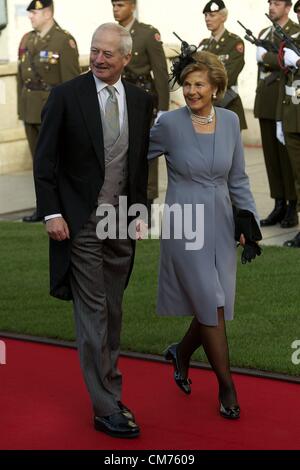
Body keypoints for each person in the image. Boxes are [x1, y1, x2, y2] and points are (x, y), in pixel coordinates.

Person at [34, 23, 153, 438]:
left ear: (126, 58)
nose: (99, 59)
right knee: (94, 310)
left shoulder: (140, 101)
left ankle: (110, 391)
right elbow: (45, 159)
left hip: (120, 218)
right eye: (94, 51)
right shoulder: (66, 96)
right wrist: (51, 213)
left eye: (108, 54)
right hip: (79, 221)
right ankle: (105, 406)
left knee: (114, 309)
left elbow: (138, 164)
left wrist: (140, 212)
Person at [148, 50, 261, 419]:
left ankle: (180, 353)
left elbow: (238, 178)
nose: (191, 91)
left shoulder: (229, 121)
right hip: (185, 222)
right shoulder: (169, 124)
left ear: (215, 87)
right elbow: (132, 155)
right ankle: (227, 387)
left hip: (222, 220)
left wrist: (249, 221)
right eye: (187, 84)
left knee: (216, 300)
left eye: (199, 84)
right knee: (211, 301)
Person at [17, 0, 80, 223]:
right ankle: (43, 207)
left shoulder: (64, 40)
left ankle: (61, 207)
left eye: (34, 12)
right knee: (39, 164)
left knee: (59, 163)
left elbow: (72, 83)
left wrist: (71, 117)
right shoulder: (27, 39)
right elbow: (21, 77)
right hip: (30, 109)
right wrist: (21, 109)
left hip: (52, 112)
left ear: (47, 13)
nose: (31, 17)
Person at [111, 0, 169, 226]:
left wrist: (163, 108)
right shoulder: (112, 33)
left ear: (132, 6)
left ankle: (146, 201)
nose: (116, 9)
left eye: (120, 5)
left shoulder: (146, 34)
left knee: (146, 151)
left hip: (143, 99)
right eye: (114, 5)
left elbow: (161, 72)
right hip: (118, 98)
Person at [254, 0, 299, 228]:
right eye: (270, 3)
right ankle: (278, 203)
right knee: (272, 159)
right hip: (266, 101)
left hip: (287, 102)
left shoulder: (295, 31)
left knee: (287, 159)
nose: (271, 7)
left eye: (277, 3)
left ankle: (292, 206)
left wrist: (265, 58)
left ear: (288, 7)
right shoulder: (264, 32)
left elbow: (284, 62)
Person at [199, 0, 247, 131]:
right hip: (206, 107)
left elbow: (228, 77)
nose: (207, 19)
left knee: (228, 150)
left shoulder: (234, 43)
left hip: (228, 105)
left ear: (223, 17)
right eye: (206, 15)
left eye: (212, 15)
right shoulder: (203, 45)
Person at [277, 35, 300, 246]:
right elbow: (284, 84)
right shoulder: (293, 41)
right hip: (292, 118)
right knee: (298, 177)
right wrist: (279, 118)